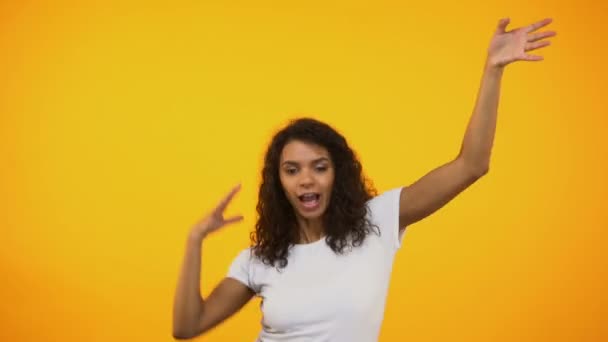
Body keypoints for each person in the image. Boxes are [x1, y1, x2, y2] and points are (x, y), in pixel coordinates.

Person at [172, 17, 556, 341]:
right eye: (292, 170)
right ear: (279, 184)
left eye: (319, 167)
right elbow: (187, 328)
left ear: (337, 174)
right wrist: (194, 240)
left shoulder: (377, 221)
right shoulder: (260, 260)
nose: (306, 179)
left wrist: (493, 70)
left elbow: (471, 165)